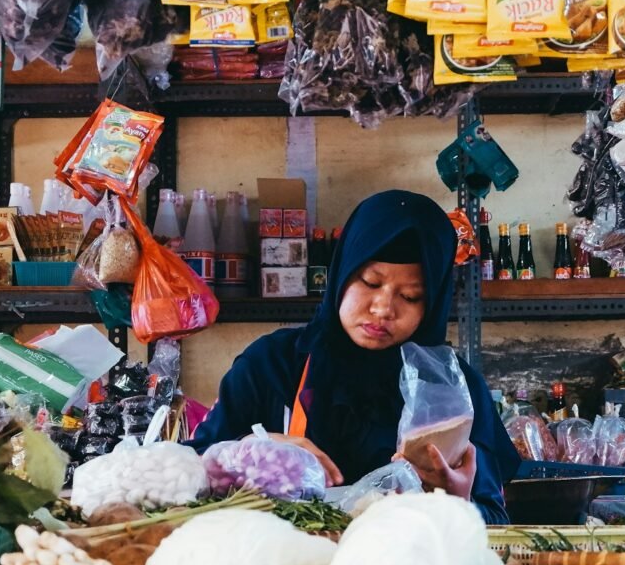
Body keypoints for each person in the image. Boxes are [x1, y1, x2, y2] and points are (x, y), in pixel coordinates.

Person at [192, 190, 520, 524]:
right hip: (283, 555)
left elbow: (495, 519)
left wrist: (458, 502)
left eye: (410, 296)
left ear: (433, 304)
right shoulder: (271, 365)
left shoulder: (454, 394)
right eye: (370, 282)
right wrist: (251, 448)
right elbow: (188, 474)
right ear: (342, 272)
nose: (383, 308)